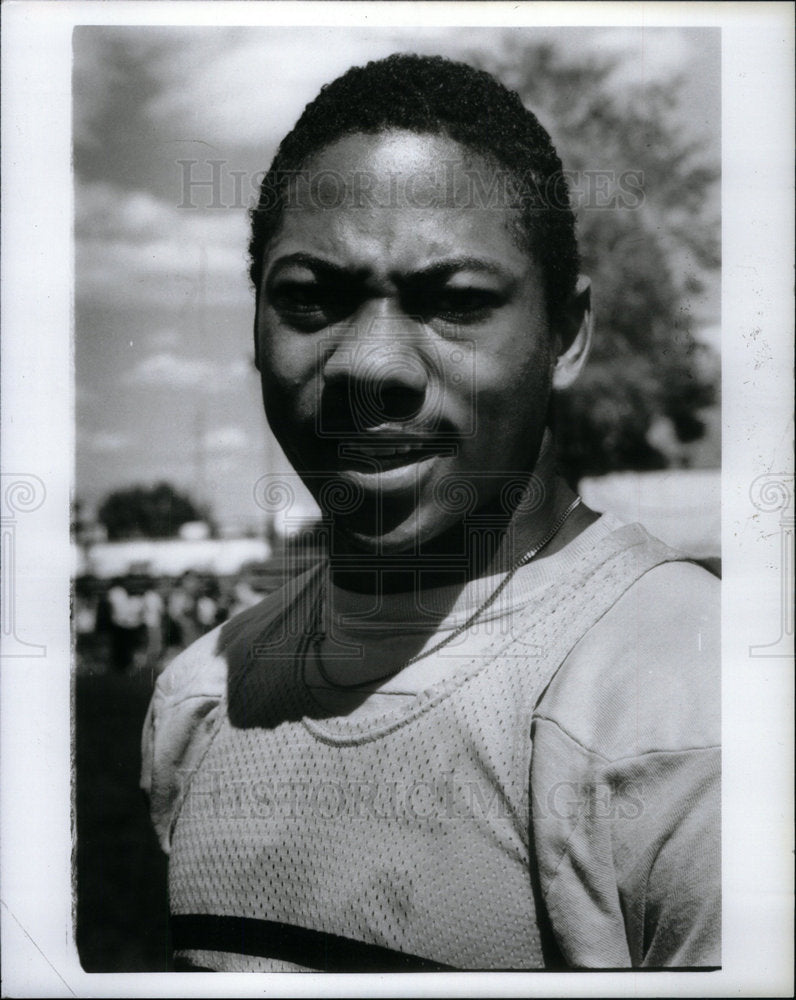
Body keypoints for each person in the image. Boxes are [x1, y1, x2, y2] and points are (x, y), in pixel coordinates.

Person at [141, 54, 719, 972]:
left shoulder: (689, 716)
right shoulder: (205, 698)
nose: (370, 367)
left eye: (454, 303)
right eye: (309, 299)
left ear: (565, 336)